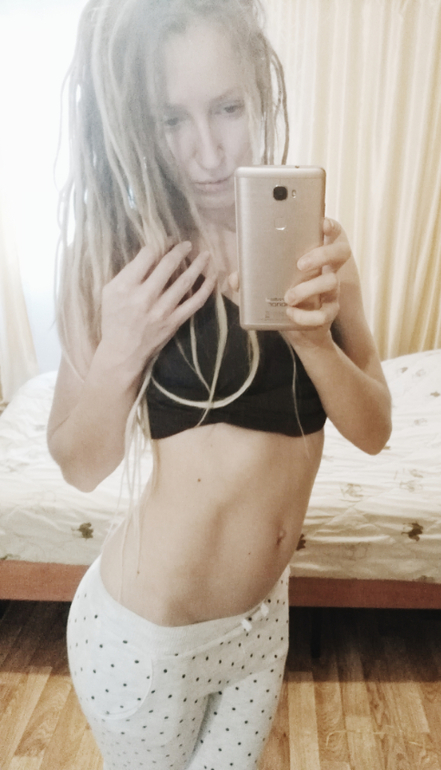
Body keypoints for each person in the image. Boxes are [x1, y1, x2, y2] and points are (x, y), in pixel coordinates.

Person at [47, 0, 392, 768]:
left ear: (258, 92)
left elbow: (374, 428)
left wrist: (314, 343)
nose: (208, 153)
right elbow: (79, 463)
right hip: (147, 643)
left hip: (261, 627)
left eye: (228, 108)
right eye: (171, 120)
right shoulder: (119, 256)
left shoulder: (316, 248)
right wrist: (123, 349)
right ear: (137, 125)